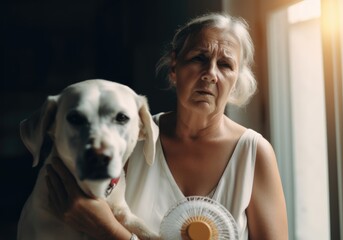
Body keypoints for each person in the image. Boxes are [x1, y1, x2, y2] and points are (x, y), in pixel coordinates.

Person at [46, 12, 288, 239]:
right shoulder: (129, 136)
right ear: (174, 67)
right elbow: (76, 215)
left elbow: (103, 227)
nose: (210, 74)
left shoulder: (254, 153)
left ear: (236, 80)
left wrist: (113, 233)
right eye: (199, 58)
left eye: (225, 65)